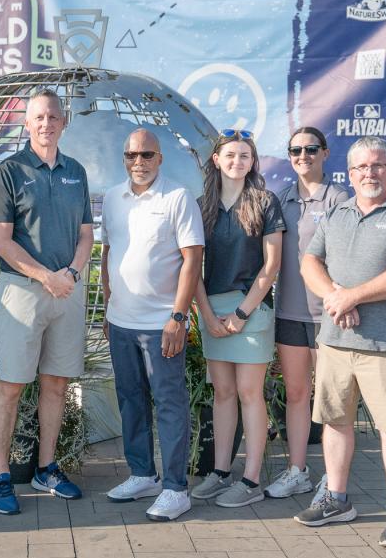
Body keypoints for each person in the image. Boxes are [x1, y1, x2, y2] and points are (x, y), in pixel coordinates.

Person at [296, 136, 386, 550]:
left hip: (385, 343)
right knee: (335, 422)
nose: (369, 173)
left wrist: (352, 296)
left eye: (377, 166)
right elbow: (309, 262)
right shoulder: (336, 213)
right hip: (335, 341)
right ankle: (336, 499)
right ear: (350, 174)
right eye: (360, 168)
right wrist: (335, 297)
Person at [0, 89, 94, 515]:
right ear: (27, 123)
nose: (46, 123)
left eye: (53, 116)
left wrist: (71, 275)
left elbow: (85, 234)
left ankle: (46, 468)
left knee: (56, 383)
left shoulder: (76, 172)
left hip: (67, 290)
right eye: (38, 117)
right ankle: (0, 475)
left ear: (63, 122)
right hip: (23, 291)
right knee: (11, 385)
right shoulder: (10, 170)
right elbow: (1, 239)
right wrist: (45, 276)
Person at [101, 129, 204, 521]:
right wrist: (108, 307)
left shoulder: (177, 197)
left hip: (162, 323)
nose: (138, 162)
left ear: (160, 158)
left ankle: (176, 489)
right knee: (130, 400)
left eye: (146, 155)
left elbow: (192, 259)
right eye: (131, 155)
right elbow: (108, 252)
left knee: (169, 404)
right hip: (121, 322)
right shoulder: (113, 197)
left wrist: (179, 317)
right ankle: (142, 474)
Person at [190, 131, 285, 508]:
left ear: (253, 162)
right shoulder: (201, 206)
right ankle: (220, 472)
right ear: (216, 159)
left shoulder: (265, 202)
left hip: (251, 310)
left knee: (249, 393)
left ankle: (251, 480)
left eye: (245, 155)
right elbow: (192, 268)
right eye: (230, 155)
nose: (237, 161)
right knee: (223, 393)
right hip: (212, 311)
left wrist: (243, 313)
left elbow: (271, 265)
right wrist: (206, 314)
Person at [266, 127, 350, 501]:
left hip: (327, 316)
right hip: (289, 313)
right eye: (296, 150)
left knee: (331, 399)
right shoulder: (280, 199)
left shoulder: (339, 198)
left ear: (325, 153)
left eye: (311, 149)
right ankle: (297, 471)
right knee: (297, 393)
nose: (303, 155)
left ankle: (333, 479)